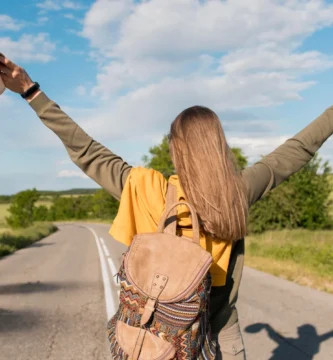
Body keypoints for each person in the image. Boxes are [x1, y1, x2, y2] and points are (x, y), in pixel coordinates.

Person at [1, 53, 333, 360]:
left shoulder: (147, 190)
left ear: (175, 150)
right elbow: (300, 148)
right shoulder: (238, 191)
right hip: (221, 338)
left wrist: (30, 91)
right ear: (219, 148)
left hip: (158, 340)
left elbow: (84, 149)